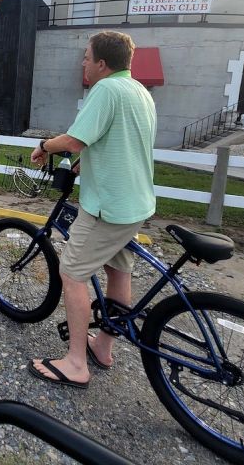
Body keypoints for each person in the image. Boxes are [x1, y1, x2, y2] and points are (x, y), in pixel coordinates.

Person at [28, 30, 156, 389]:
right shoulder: (139, 91)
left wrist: (44, 146)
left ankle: (75, 363)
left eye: (87, 56)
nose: (83, 62)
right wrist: (83, 164)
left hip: (108, 207)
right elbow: (118, 141)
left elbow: (72, 140)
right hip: (135, 203)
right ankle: (103, 346)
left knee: (72, 273)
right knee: (119, 271)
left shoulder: (106, 89)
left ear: (102, 63)